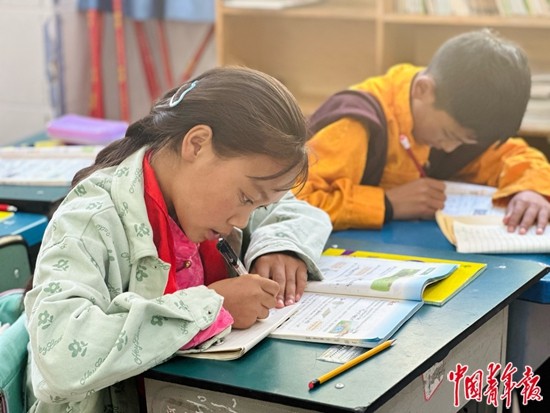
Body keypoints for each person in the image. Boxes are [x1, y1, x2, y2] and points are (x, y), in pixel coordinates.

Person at [24, 66, 332, 412]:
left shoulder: (203, 195)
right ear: (197, 144)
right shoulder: (91, 220)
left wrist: (279, 245)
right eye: (246, 198)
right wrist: (213, 306)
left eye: (258, 206)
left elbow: (305, 214)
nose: (242, 221)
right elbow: (60, 357)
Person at [297, 29, 550, 234]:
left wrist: (531, 191)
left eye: (463, 142)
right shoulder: (355, 123)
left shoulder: (461, 115)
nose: (450, 148)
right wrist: (387, 203)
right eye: (449, 135)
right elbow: (296, 201)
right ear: (423, 90)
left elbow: (516, 156)